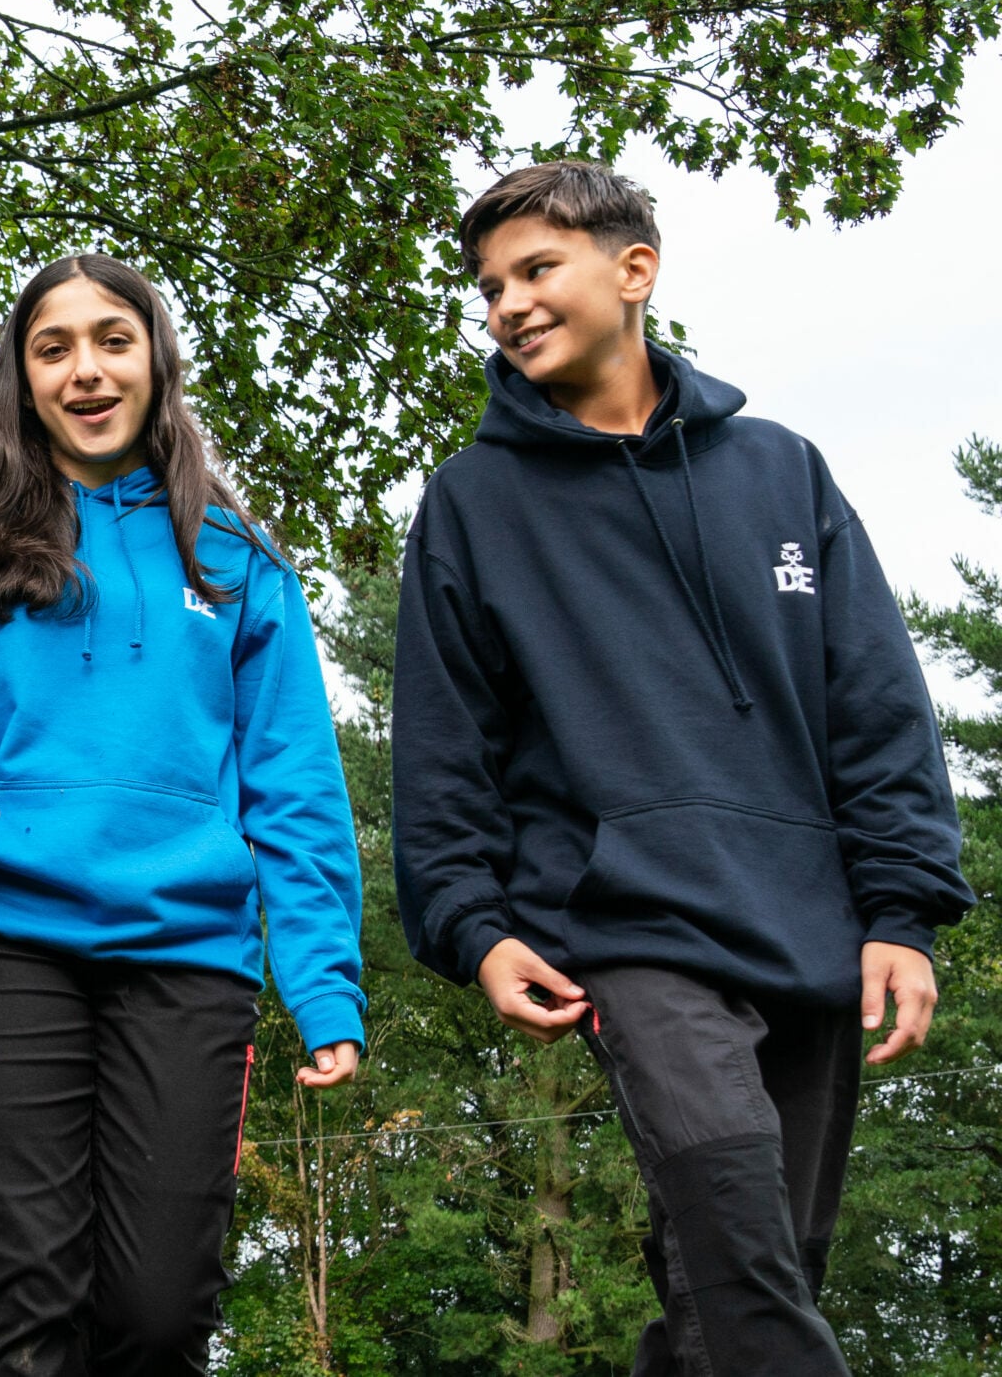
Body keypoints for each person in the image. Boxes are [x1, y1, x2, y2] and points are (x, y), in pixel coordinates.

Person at [390, 160, 972, 1376]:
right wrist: (473, 925)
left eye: (536, 268)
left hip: (808, 920)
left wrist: (902, 913)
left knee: (752, 1273)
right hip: (624, 921)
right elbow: (446, 752)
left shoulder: (780, 469)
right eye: (489, 285)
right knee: (740, 1231)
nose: (507, 303)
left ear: (633, 270)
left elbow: (874, 704)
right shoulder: (473, 501)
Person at [0, 254, 364, 1377]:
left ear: (155, 360)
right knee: (28, 1293)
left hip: (187, 952)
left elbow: (294, 787)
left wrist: (323, 982)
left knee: (161, 1309)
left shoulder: (238, 562)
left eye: (111, 339)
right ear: (21, 380)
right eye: (53, 347)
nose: (85, 368)